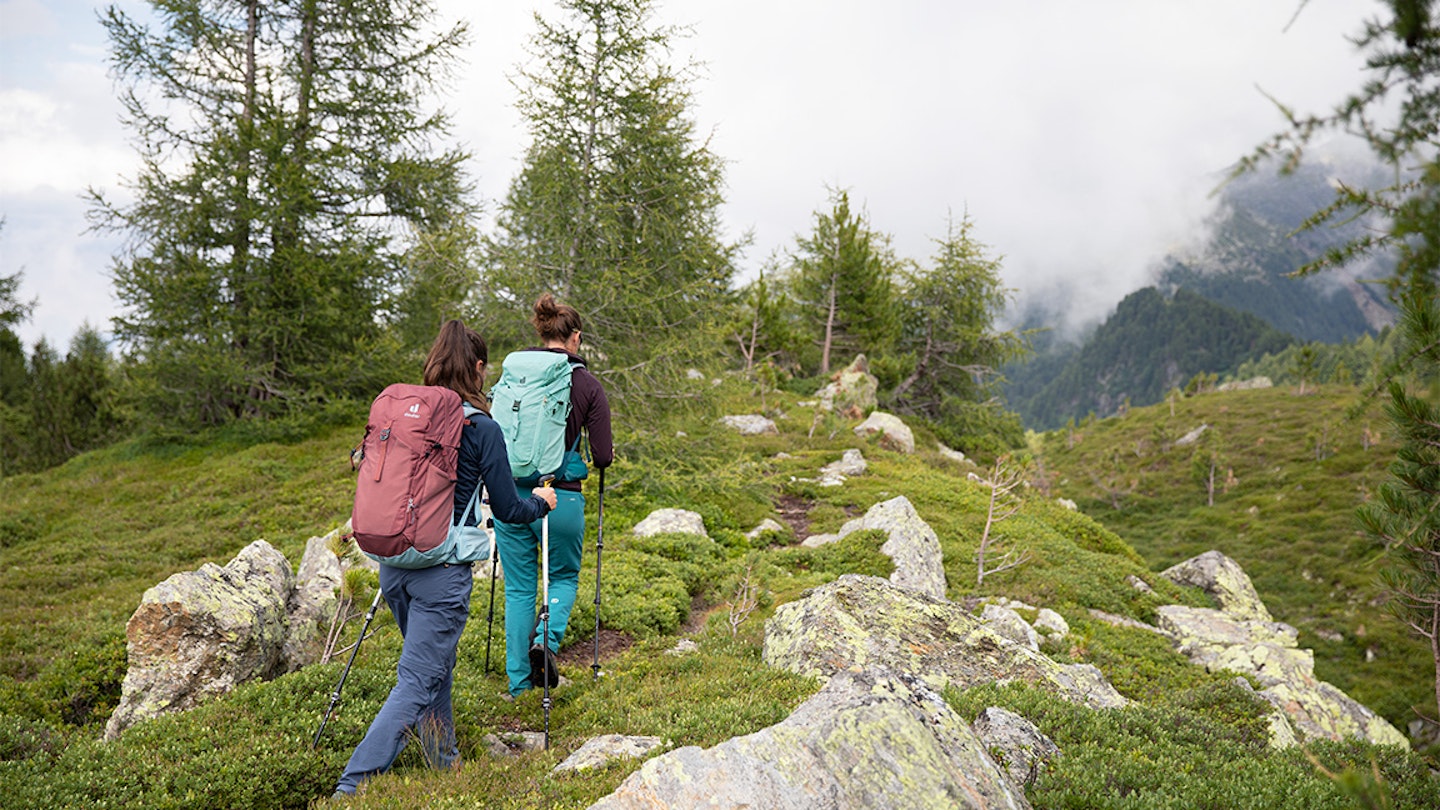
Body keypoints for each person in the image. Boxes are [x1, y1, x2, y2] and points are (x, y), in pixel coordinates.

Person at [333, 320, 557, 798]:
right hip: (441, 573)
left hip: (394, 565)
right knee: (417, 680)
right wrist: (543, 501)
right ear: (477, 368)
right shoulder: (481, 427)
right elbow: (512, 510)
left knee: (435, 666)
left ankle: (443, 760)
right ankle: (351, 788)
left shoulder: (407, 416)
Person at [494, 294, 613, 697]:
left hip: (510, 496)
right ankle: (544, 640)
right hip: (559, 498)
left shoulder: (514, 378)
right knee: (562, 576)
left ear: (542, 334)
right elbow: (603, 456)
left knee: (519, 590)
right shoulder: (587, 385)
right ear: (575, 337)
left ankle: (517, 686)